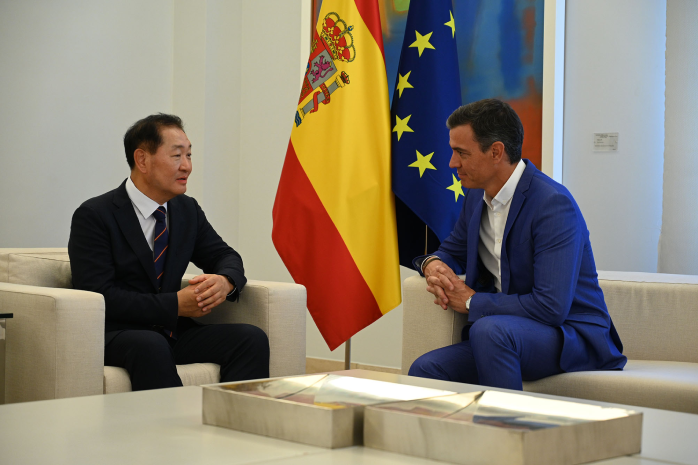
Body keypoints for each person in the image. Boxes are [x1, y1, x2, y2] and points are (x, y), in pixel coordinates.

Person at [409, 99, 626, 390]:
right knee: (425, 369)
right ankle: (462, 436)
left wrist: (472, 301)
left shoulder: (552, 204)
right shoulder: (476, 197)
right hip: (503, 333)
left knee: (489, 331)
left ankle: (508, 433)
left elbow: (551, 307)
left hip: (569, 335)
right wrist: (432, 264)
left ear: (496, 151)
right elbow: (451, 251)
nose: (452, 163)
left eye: (461, 153)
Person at [68, 113, 269, 390]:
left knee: (250, 338)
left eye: (189, 156)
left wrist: (226, 281)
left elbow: (225, 256)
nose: (186, 166)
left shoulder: (186, 210)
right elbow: (99, 294)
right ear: (142, 160)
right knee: (150, 344)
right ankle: (171, 433)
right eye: (176, 156)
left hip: (173, 333)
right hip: (117, 334)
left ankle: (236, 425)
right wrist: (174, 305)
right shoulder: (95, 215)